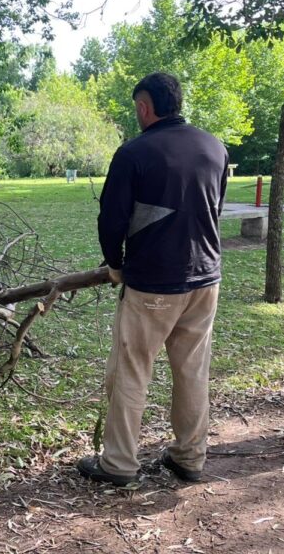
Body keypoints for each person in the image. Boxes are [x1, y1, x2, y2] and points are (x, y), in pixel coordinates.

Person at [77, 72, 228, 486]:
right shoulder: (216, 148)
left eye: (136, 107)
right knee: (193, 371)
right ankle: (190, 458)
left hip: (153, 284)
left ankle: (119, 464)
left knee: (132, 371)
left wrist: (115, 263)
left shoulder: (134, 153)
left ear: (145, 106)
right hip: (205, 278)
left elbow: (111, 219)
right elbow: (213, 211)